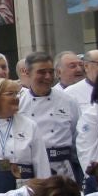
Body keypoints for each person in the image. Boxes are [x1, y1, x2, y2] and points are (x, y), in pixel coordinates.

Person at [23, 53, 84, 188]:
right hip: (32, 170)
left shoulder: (68, 101)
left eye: (51, 72)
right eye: (41, 72)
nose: (48, 77)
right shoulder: (20, 103)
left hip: (63, 168)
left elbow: (77, 137)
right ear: (28, 73)